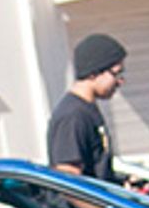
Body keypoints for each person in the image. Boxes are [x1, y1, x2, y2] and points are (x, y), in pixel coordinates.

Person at [48, 33, 125, 181]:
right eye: (116, 74)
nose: (120, 81)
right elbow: (69, 182)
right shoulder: (73, 116)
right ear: (93, 72)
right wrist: (105, 205)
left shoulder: (87, 109)